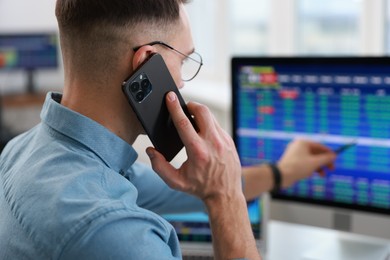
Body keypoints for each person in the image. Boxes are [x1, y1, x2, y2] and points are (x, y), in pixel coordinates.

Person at [0, 0, 336, 259]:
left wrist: (281, 171)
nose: (181, 80)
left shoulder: (24, 150)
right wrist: (225, 199)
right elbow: (213, 192)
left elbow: (177, 191)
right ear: (147, 64)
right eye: (184, 60)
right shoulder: (111, 232)